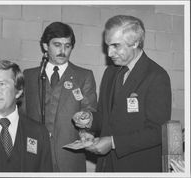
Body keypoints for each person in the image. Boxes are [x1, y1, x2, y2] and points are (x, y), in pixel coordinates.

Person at [73, 15, 172, 172]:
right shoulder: (110, 72)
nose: (109, 53)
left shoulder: (156, 76)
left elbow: (157, 131)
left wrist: (113, 143)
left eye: (116, 46)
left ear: (136, 43)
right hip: (106, 166)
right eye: (108, 46)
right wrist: (89, 121)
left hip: (136, 167)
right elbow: (106, 117)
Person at [21, 22, 97, 172]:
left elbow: (90, 111)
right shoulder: (29, 76)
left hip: (69, 158)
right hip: (34, 156)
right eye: (57, 45)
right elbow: (22, 116)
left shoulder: (84, 76)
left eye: (67, 46)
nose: (63, 51)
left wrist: (85, 133)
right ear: (45, 46)